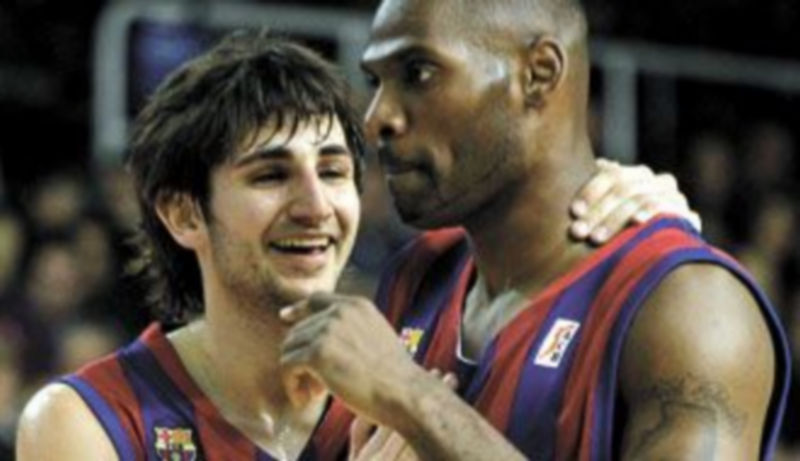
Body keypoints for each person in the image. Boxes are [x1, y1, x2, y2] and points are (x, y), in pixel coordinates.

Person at [17, 30, 700, 460]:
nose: (315, 206)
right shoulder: (88, 422)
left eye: (335, 170)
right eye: (271, 174)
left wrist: (622, 216)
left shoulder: (416, 382)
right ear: (184, 213)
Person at [277, 1, 790, 460]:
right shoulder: (418, 274)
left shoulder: (690, 309)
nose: (377, 118)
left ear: (538, 75)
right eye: (376, 82)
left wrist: (415, 398)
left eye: (419, 72)